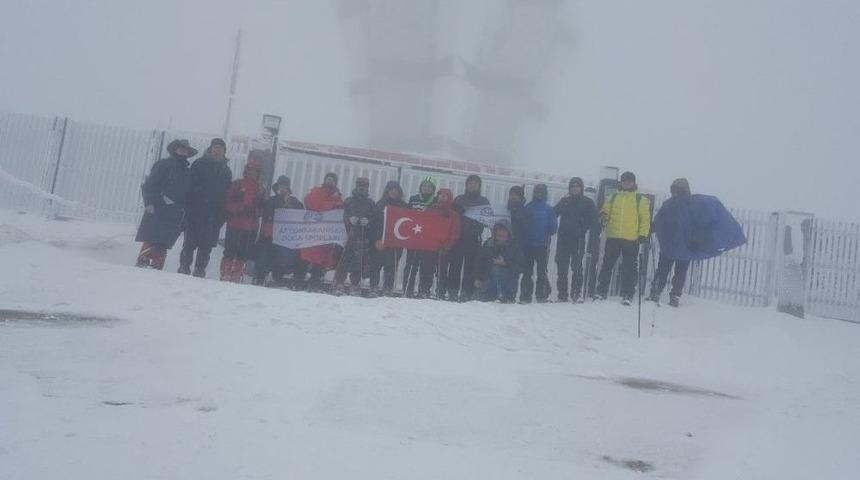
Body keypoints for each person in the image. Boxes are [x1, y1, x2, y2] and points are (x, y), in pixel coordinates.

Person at [135, 139, 196, 270]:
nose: (183, 151)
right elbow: (150, 185)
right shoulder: (163, 165)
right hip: (157, 209)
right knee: (151, 238)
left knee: (164, 242)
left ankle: (157, 267)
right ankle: (142, 263)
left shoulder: (187, 171)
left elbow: (188, 192)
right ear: (175, 150)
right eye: (180, 149)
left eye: (185, 150)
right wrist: (149, 202)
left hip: (174, 213)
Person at [594, 171, 651, 305]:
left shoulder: (640, 199)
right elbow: (605, 211)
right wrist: (603, 216)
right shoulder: (613, 197)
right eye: (624, 180)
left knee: (629, 267)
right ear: (621, 182)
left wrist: (643, 234)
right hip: (613, 236)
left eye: (629, 181)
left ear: (633, 182)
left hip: (631, 239)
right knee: (607, 264)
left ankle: (628, 294)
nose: (626, 183)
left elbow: (645, 219)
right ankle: (601, 291)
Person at [178, 138, 232, 277]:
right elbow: (189, 187)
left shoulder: (226, 171)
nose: (217, 149)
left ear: (224, 151)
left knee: (206, 245)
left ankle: (200, 269)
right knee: (189, 242)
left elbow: (227, 193)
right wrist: (188, 207)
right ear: (210, 148)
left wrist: (222, 215)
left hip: (214, 213)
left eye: (220, 147)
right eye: (215, 147)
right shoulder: (199, 164)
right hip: (196, 210)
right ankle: (184, 267)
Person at [254, 175, 307, 287]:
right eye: (281, 186)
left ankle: (277, 278)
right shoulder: (271, 200)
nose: (282, 188)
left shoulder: (295, 202)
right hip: (269, 235)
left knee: (280, 259)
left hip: (283, 238)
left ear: (288, 187)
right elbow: (265, 212)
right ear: (277, 187)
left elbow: (301, 215)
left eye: (285, 186)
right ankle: (260, 278)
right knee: (265, 257)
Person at [554, 177, 598, 302]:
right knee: (562, 267)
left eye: (577, 186)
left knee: (577, 267)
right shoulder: (564, 201)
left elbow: (594, 219)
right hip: (563, 240)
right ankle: (562, 294)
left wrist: (583, 226)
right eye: (572, 186)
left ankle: (576, 293)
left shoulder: (587, 202)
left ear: (581, 188)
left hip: (578, 240)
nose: (575, 188)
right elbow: (553, 214)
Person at [447, 174, 490, 301]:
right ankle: (452, 291)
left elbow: (487, 220)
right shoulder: (459, 199)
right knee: (454, 266)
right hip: (458, 238)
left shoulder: (483, 202)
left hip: (473, 239)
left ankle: (466, 292)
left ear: (479, 186)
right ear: (466, 185)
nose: (472, 185)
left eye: (475, 183)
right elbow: (450, 217)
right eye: (470, 183)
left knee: (470, 268)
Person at [220, 158, 263, 282]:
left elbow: (262, 208)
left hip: (250, 226)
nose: (253, 173)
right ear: (246, 171)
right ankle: (226, 272)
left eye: (255, 171)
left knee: (244, 252)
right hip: (235, 223)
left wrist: (255, 212)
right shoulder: (236, 184)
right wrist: (239, 208)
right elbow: (228, 202)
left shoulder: (261, 189)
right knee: (230, 249)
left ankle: (237, 274)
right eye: (250, 170)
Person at [301, 172, 345, 291]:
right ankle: (302, 278)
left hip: (325, 233)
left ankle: (315, 279)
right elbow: (312, 204)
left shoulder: (338, 197)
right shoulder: (317, 192)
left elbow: (339, 211)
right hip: (314, 230)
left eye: (332, 180)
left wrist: (334, 202)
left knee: (321, 258)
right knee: (308, 256)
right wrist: (332, 202)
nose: (330, 181)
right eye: (328, 179)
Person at [333, 177, 375, 295]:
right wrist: (349, 220)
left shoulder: (371, 203)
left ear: (367, 188)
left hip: (362, 235)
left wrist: (368, 222)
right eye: (360, 185)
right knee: (343, 259)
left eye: (364, 185)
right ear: (356, 186)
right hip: (348, 234)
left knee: (358, 261)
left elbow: (374, 219)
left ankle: (354, 285)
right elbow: (342, 215)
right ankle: (339, 283)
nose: (362, 187)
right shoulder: (349, 201)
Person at [369, 181, 408, 297]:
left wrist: (400, 241)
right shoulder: (380, 204)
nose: (394, 192)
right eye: (391, 189)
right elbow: (374, 224)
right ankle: (374, 287)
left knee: (391, 267)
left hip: (395, 243)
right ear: (387, 191)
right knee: (376, 265)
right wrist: (376, 239)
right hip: (379, 241)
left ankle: (387, 288)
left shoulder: (404, 206)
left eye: (396, 190)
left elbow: (406, 226)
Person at [520, 184, 558, 303]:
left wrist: (551, 225)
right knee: (527, 272)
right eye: (537, 192)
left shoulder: (549, 209)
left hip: (542, 246)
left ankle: (541, 296)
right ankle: (525, 296)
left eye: (541, 192)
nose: (539, 194)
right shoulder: (528, 207)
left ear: (545, 194)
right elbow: (523, 226)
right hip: (528, 245)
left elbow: (553, 229)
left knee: (542, 272)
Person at [402, 178, 437, 297]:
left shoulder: (436, 201)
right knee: (411, 265)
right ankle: (408, 288)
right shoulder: (413, 199)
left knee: (427, 266)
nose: (426, 188)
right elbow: (406, 216)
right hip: (414, 237)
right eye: (424, 186)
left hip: (428, 239)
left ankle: (424, 290)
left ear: (433, 189)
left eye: (429, 187)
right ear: (420, 188)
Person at [476, 222, 524, 303]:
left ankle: (503, 295)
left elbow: (520, 267)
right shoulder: (488, 244)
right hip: (487, 287)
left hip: (508, 287)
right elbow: (479, 263)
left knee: (497, 269)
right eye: (499, 230)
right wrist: (476, 278)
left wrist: (505, 263)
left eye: (504, 231)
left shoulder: (515, 247)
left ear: (509, 233)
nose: (501, 233)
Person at [427, 188, 462, 299]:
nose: (441, 198)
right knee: (427, 269)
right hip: (430, 245)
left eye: (444, 196)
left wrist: (446, 246)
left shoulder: (454, 215)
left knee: (442, 271)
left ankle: (440, 291)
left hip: (444, 247)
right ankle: (425, 289)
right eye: (440, 195)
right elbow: (425, 224)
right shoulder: (431, 209)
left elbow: (455, 232)